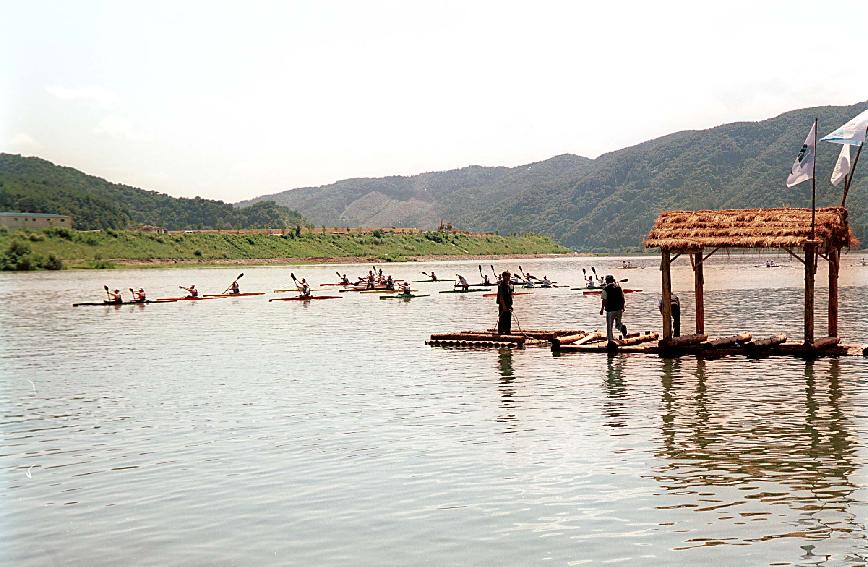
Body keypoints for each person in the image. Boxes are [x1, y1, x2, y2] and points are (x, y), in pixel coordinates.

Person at [599, 275, 627, 345]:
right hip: (619, 309)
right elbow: (623, 298)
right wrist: (623, 307)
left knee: (609, 326)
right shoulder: (618, 288)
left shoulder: (605, 289)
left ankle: (610, 341)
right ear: (613, 280)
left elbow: (604, 300)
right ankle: (621, 327)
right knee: (618, 324)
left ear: (606, 281)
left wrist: (602, 309)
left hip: (610, 310)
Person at [496, 271, 513, 335]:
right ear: (504, 277)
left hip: (508, 305)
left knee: (508, 320)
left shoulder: (508, 286)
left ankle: (507, 332)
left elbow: (509, 297)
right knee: (502, 319)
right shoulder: (501, 286)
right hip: (503, 305)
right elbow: (501, 297)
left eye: (509, 276)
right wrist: (504, 306)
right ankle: (500, 333)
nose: (509, 278)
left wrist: (510, 306)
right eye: (508, 276)